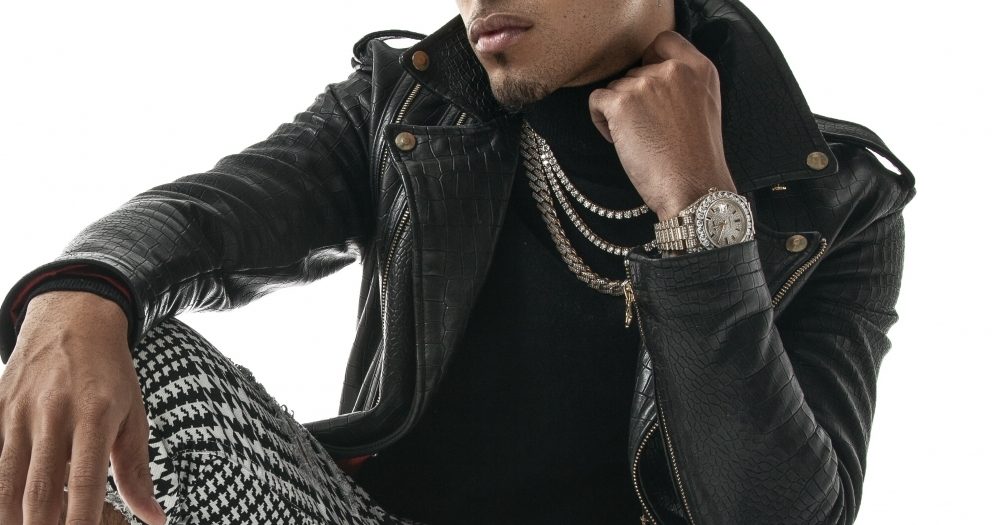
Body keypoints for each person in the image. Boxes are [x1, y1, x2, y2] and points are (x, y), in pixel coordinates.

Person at [0, 0, 917, 523]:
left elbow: (783, 515)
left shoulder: (837, 200)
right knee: (116, 354)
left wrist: (700, 211)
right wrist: (79, 291)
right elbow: (209, 218)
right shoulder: (407, 109)